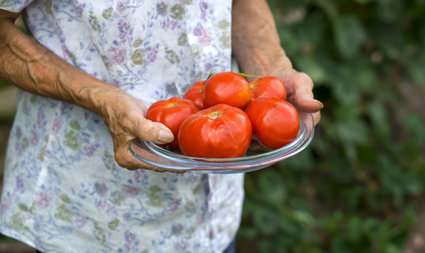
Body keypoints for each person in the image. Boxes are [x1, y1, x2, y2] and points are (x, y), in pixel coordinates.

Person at [0, 0, 322, 252]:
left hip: (212, 214)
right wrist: (99, 98)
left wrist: (271, 75)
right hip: (90, 214)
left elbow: (240, 2)